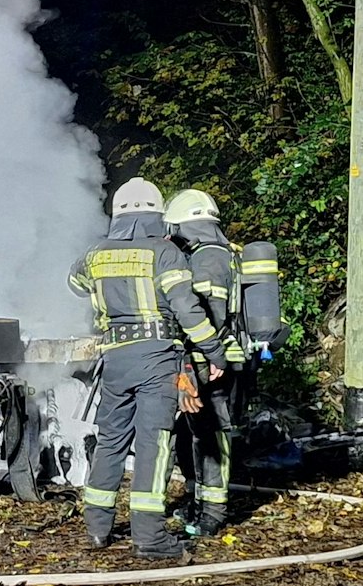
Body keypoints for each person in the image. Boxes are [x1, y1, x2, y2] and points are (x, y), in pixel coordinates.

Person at [70, 178, 228, 558]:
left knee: (110, 441)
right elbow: (187, 310)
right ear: (158, 215)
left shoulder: (95, 255)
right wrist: (214, 351)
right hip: (157, 359)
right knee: (154, 445)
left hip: (114, 359)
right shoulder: (164, 252)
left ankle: (97, 527)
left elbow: (75, 284)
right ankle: (150, 537)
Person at [163, 188, 243, 536]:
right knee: (193, 431)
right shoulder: (217, 252)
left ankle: (212, 513)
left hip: (210, 361)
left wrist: (210, 355)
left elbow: (208, 313)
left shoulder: (208, 258)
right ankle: (197, 503)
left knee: (210, 433)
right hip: (209, 357)